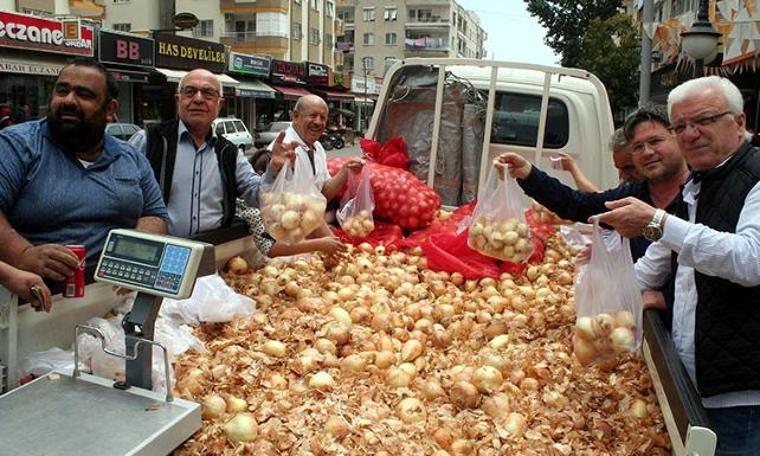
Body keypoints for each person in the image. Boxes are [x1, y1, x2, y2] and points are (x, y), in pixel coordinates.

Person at [598, 76, 760, 455]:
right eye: (681, 126)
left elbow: (750, 260)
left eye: (704, 120)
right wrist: (601, 291)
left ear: (738, 122)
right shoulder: (697, 186)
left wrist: (656, 223)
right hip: (697, 379)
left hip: (744, 394)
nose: (690, 134)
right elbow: (656, 263)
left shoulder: (755, 177)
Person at [0, 58, 167, 290]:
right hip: (33, 300)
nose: (68, 100)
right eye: (62, 91)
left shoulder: (130, 157)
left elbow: (155, 215)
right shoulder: (16, 145)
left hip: (111, 295)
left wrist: (135, 254)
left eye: (84, 94)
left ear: (110, 110)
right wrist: (24, 255)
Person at [497, 104, 689, 262]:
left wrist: (662, 297)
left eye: (655, 141)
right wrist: (527, 173)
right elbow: (577, 203)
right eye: (639, 147)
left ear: (678, 138)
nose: (647, 152)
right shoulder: (632, 195)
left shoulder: (700, 193)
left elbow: (710, 258)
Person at [129, 68, 288, 238]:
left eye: (208, 93)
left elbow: (256, 196)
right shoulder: (149, 140)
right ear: (178, 100)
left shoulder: (228, 153)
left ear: (219, 105)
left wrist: (274, 169)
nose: (198, 99)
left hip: (213, 251)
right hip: (160, 254)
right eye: (190, 92)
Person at [267, 94, 363, 238]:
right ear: (296, 116)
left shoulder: (318, 147)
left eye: (323, 117)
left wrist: (345, 171)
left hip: (310, 229)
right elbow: (298, 207)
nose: (318, 122)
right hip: (287, 236)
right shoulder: (284, 149)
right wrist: (330, 240)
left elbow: (322, 192)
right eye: (312, 116)